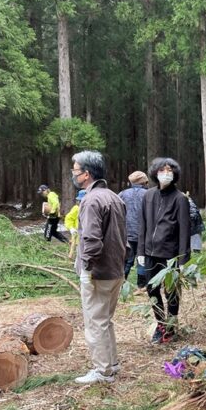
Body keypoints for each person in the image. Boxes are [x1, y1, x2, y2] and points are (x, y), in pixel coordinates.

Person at [71, 151, 127, 384]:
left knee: (95, 321)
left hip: (99, 272)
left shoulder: (91, 200)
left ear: (86, 174)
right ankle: (111, 364)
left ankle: (103, 371)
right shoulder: (114, 197)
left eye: (75, 170)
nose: (73, 175)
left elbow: (92, 240)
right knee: (105, 319)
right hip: (115, 269)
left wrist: (86, 269)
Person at [137, 158, 191, 344]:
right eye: (162, 170)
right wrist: (140, 253)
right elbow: (142, 225)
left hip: (171, 255)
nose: (166, 173)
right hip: (150, 253)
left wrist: (183, 260)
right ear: (155, 173)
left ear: (175, 174)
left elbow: (185, 231)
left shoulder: (180, 199)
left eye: (169, 170)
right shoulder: (148, 196)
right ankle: (160, 326)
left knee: (172, 292)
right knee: (152, 290)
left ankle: (171, 326)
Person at [118, 171, 148, 288]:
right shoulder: (149, 194)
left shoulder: (122, 194)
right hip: (144, 233)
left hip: (126, 233)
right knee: (143, 258)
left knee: (127, 259)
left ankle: (121, 283)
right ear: (145, 182)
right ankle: (142, 285)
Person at [64, 190, 86, 260]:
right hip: (79, 238)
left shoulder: (92, 208)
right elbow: (69, 218)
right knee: (80, 256)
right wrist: (71, 228)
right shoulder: (76, 208)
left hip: (88, 238)